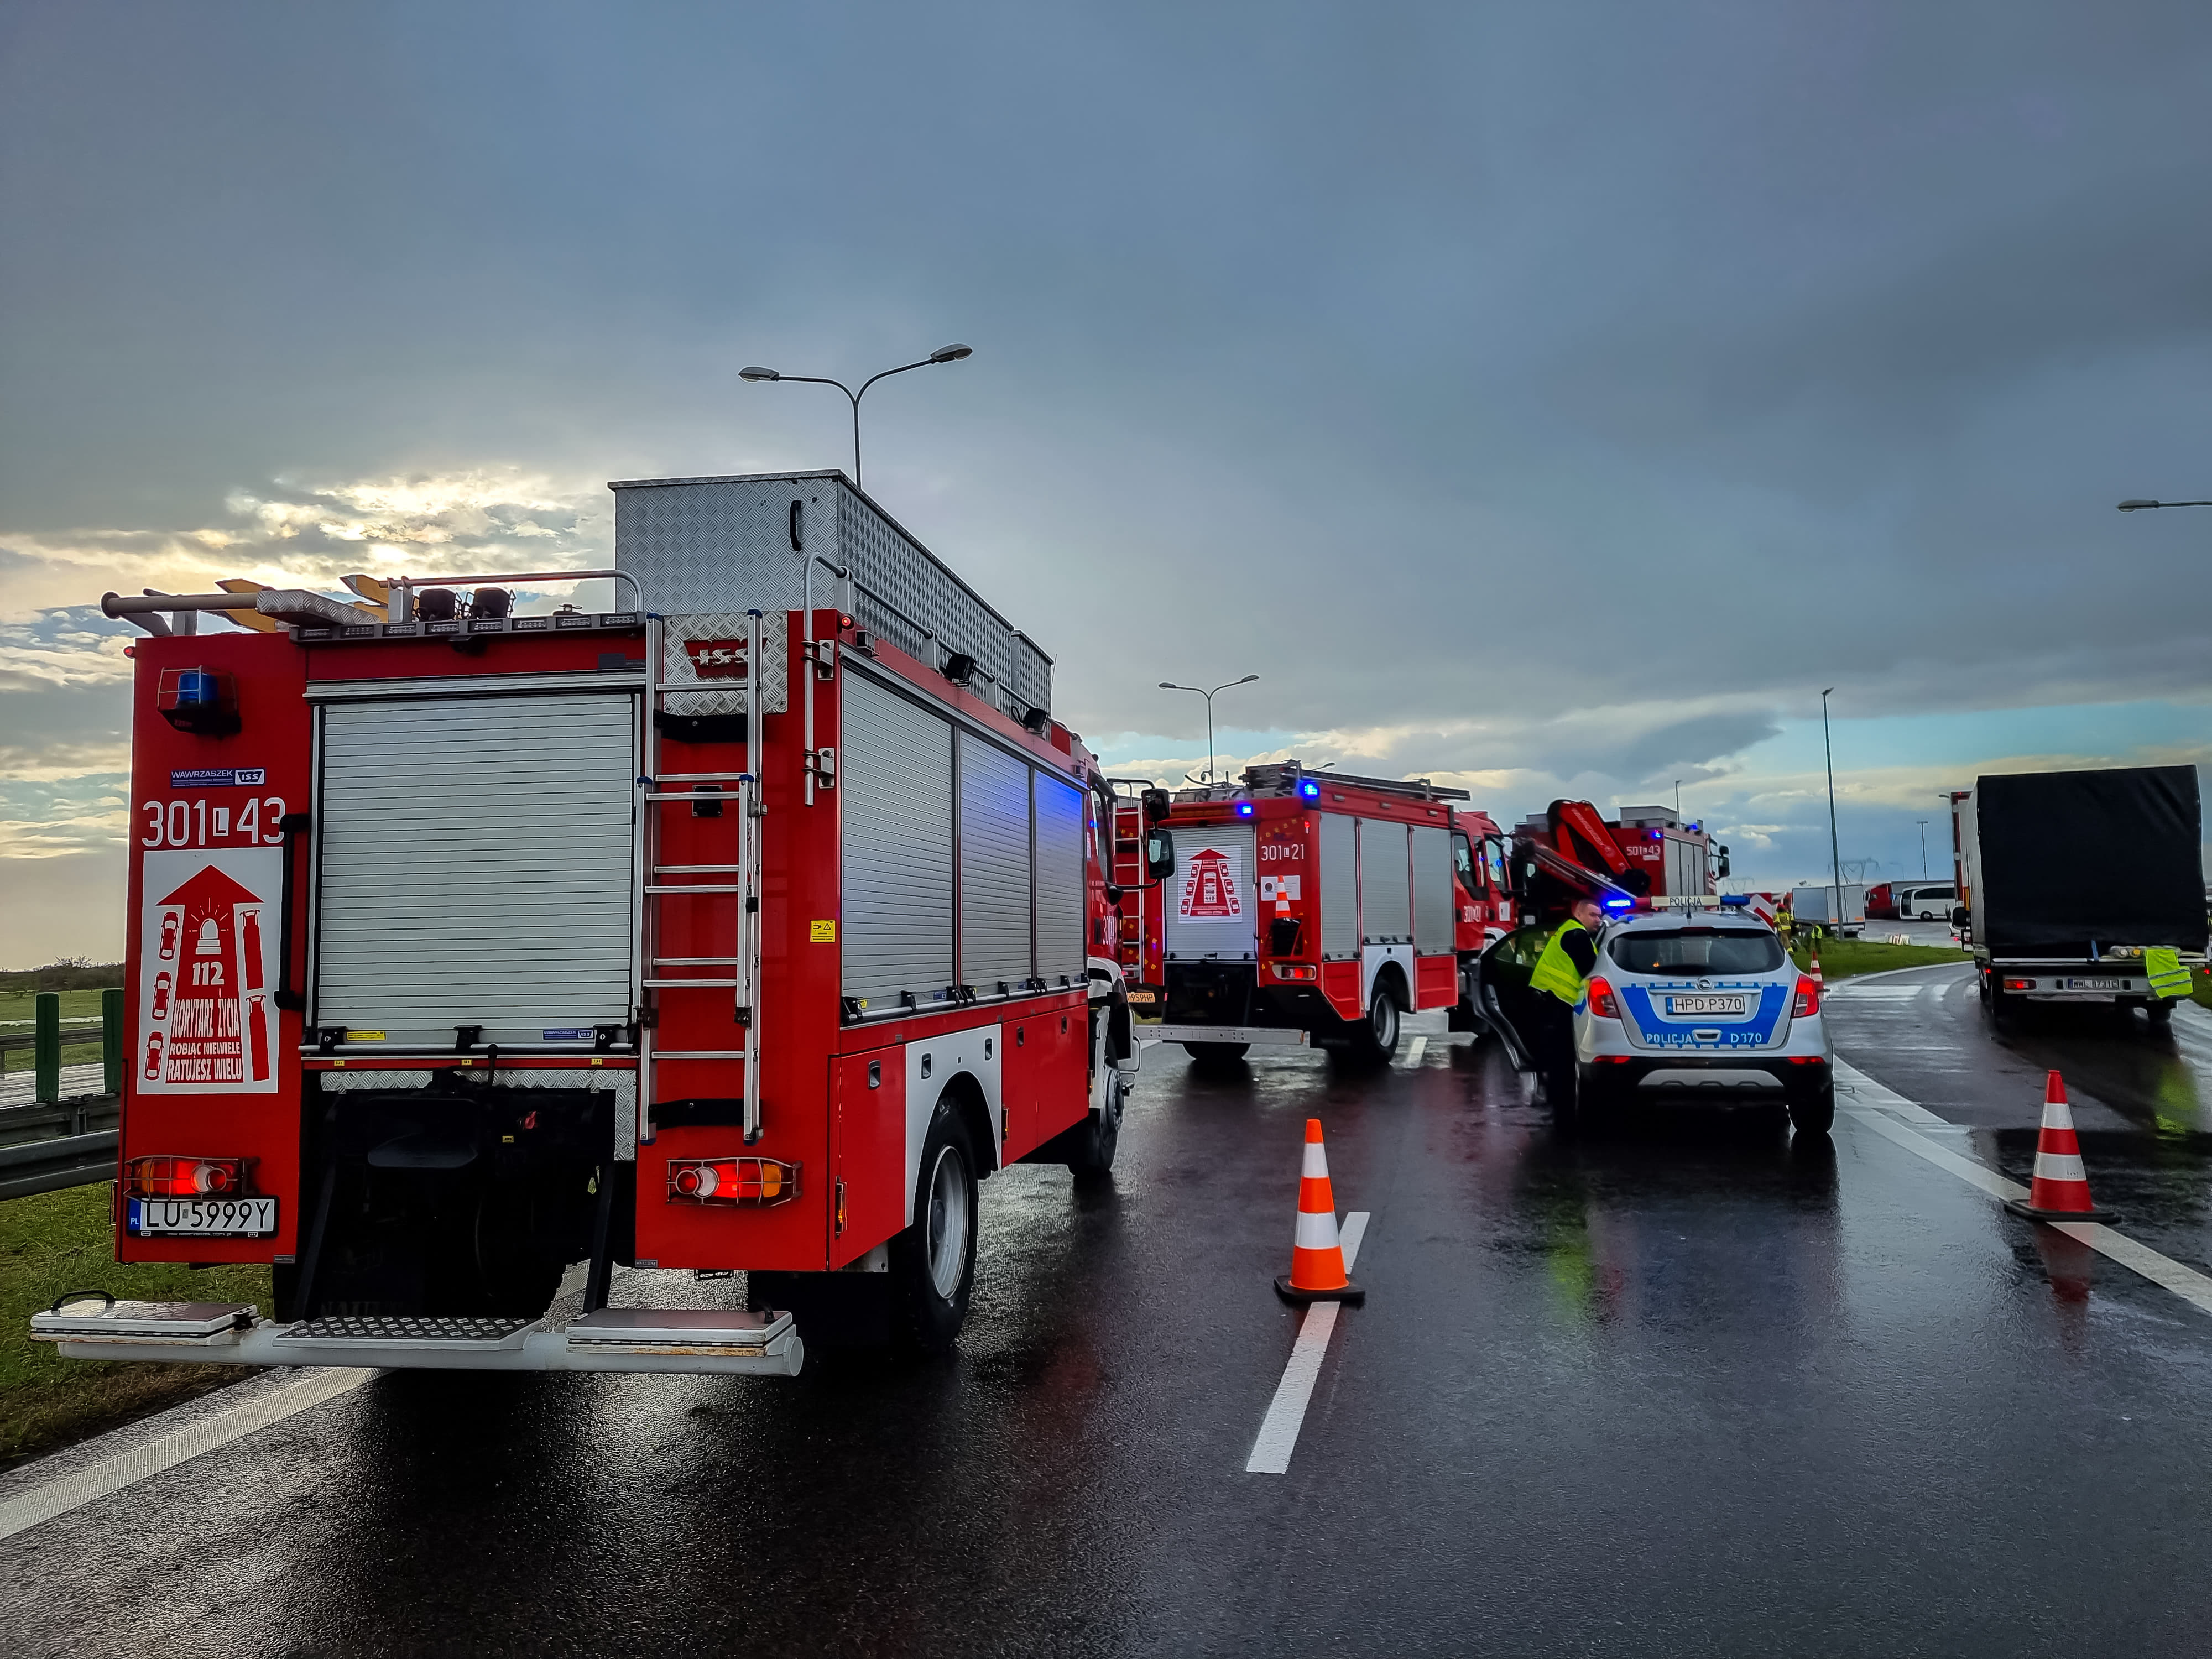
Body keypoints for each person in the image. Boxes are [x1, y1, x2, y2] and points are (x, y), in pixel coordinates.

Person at [1527, 895, 1603, 1110]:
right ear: (1578, 914)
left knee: (1557, 1056)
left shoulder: (1573, 931)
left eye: (1599, 915)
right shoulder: (1577, 935)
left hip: (1550, 1001)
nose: (1597, 919)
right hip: (1557, 1003)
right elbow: (1591, 969)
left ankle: (1555, 1097)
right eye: (1592, 915)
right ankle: (1561, 1102)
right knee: (1562, 1057)